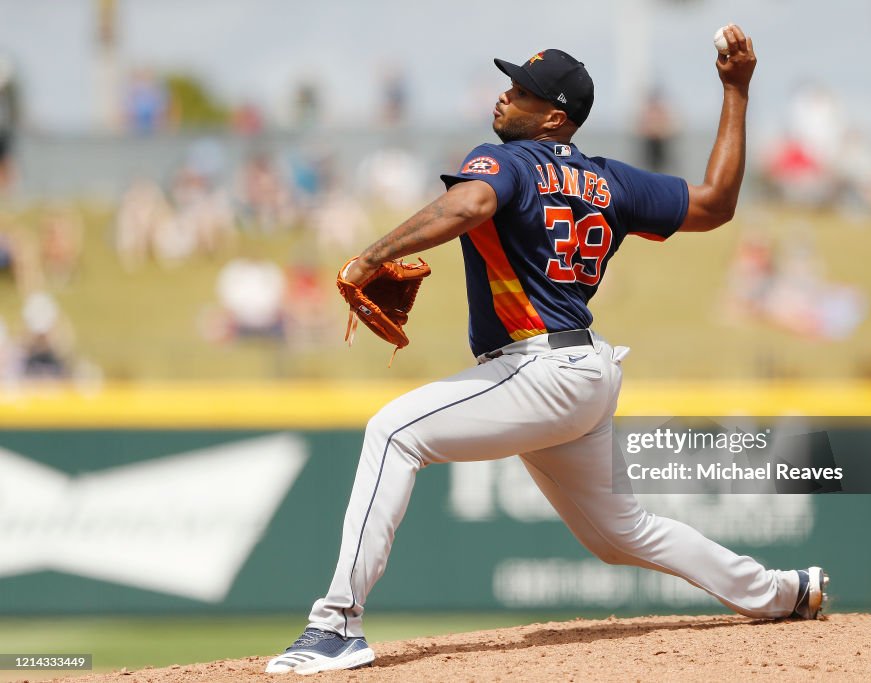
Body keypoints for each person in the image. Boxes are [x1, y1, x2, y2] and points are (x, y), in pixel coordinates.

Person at [267, 25, 827, 675]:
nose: (506, 98)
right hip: (582, 370)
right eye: (509, 85)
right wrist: (736, 93)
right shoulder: (609, 180)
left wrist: (371, 255)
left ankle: (336, 624)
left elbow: (472, 202)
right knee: (622, 533)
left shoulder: (505, 160)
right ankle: (782, 590)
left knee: (393, 432)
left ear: (554, 116)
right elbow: (717, 205)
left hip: (539, 369)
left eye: (522, 92)